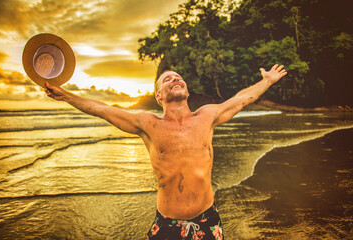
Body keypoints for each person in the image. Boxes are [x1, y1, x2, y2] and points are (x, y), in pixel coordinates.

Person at [45, 64, 287, 239]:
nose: (175, 79)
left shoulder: (207, 116)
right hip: (167, 225)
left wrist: (267, 81)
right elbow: (102, 109)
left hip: (207, 219)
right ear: (159, 96)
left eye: (178, 77)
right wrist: (65, 95)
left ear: (187, 90)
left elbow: (242, 99)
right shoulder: (148, 124)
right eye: (167, 79)